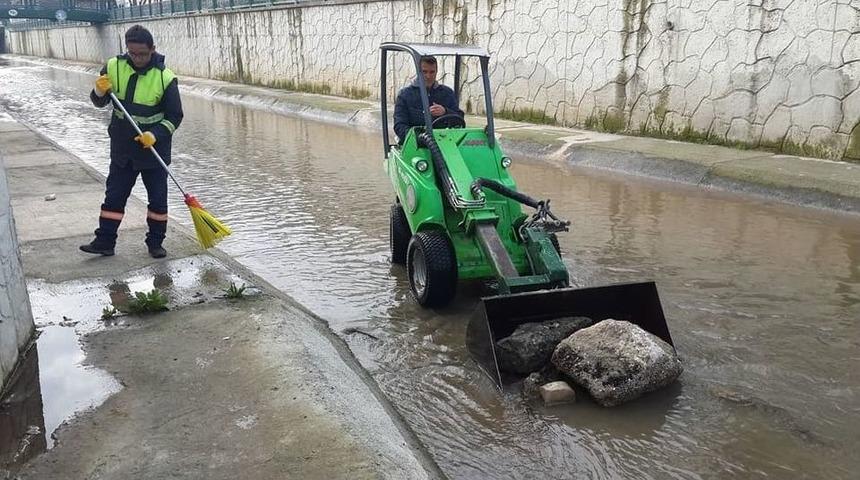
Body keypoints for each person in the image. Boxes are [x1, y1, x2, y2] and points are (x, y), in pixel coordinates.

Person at [80, 25, 183, 259]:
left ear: (153, 49)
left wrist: (155, 134)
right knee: (114, 196)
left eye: (142, 54)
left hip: (153, 149)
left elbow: (175, 116)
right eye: (132, 53)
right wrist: (98, 91)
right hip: (123, 147)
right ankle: (105, 241)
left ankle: (155, 243)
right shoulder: (113, 67)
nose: (137, 58)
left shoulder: (165, 78)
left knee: (157, 200)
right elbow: (100, 103)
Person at [393, 56, 464, 143]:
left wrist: (445, 111)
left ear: (436, 72)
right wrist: (419, 138)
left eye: (432, 72)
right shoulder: (405, 95)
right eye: (424, 72)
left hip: (443, 142)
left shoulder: (447, 93)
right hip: (415, 144)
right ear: (418, 72)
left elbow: (459, 119)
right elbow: (399, 125)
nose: (428, 76)